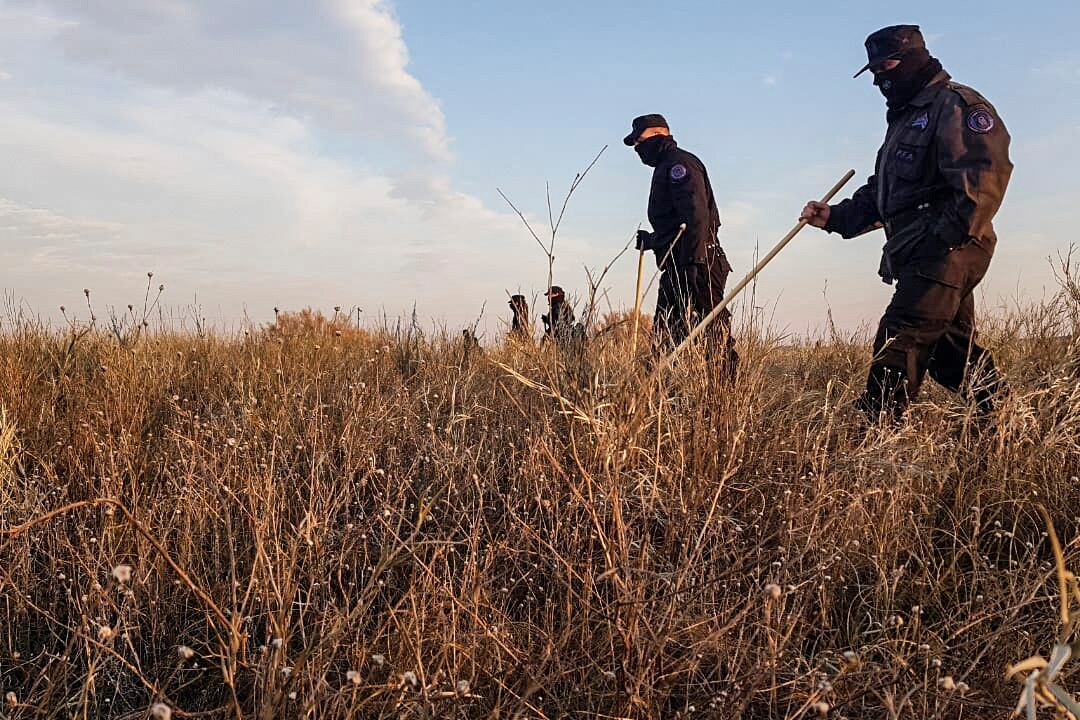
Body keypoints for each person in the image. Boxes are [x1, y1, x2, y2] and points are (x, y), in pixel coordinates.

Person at [800, 25, 1012, 422]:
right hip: (918, 252)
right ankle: (1005, 423)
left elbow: (985, 178)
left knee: (899, 342)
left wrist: (941, 242)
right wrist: (835, 217)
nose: (881, 78)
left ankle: (874, 440)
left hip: (948, 250)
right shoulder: (904, 120)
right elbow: (886, 192)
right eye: (874, 72)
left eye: (888, 65)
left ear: (915, 57)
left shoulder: (955, 106)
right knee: (951, 354)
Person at [625, 114, 738, 374]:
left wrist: (695, 261)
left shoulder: (680, 165)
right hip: (679, 263)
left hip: (697, 264)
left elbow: (696, 215)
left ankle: (724, 395)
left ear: (656, 134)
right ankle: (666, 396)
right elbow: (676, 226)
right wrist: (653, 240)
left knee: (712, 334)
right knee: (667, 336)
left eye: (638, 142)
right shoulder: (665, 166)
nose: (637, 150)